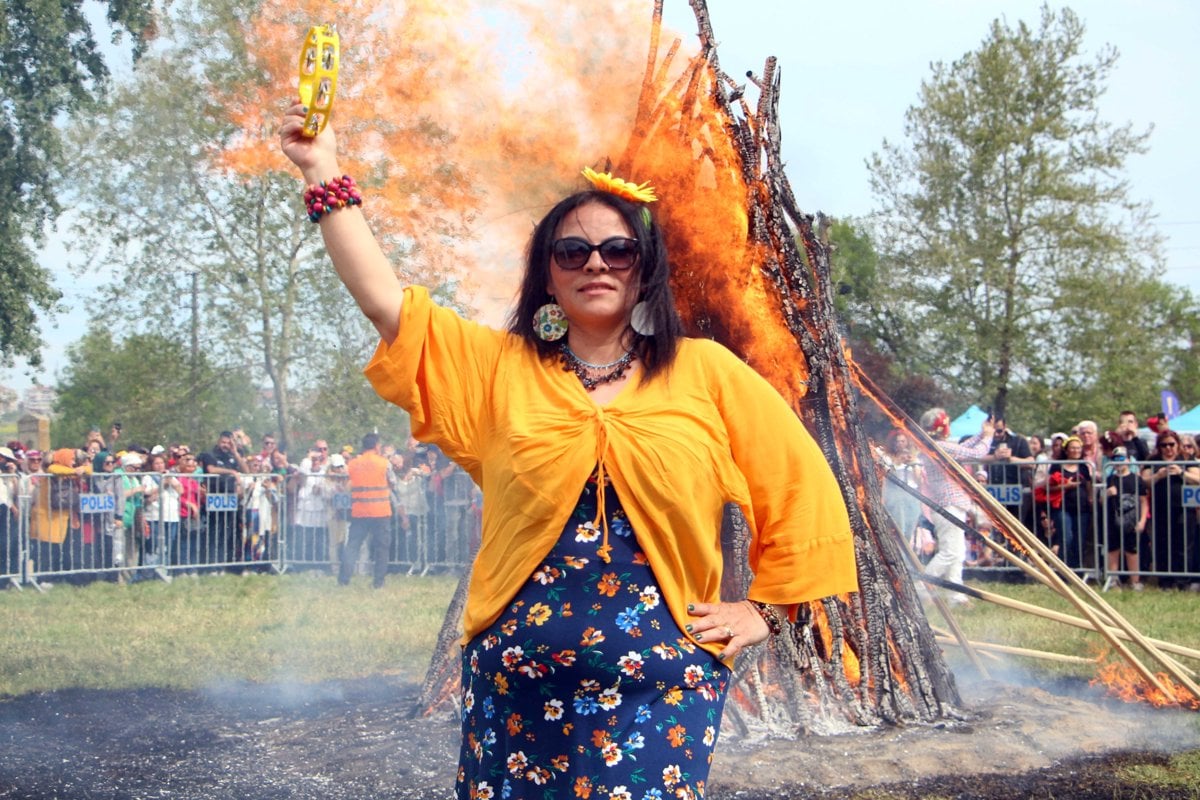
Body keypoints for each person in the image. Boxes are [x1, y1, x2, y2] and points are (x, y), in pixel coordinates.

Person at [280, 109, 858, 799]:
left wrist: (760, 612)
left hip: (660, 690)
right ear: (546, 276)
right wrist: (322, 171)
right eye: (572, 252)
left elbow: (801, 490)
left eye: (617, 251)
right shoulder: (500, 369)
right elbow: (385, 304)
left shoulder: (706, 372)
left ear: (645, 273)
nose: (595, 263)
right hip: (517, 689)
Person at [917, 408, 994, 606]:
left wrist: (981, 433)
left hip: (950, 505)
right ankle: (920, 587)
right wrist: (988, 437)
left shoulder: (936, 446)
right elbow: (975, 453)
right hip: (948, 505)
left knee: (957, 552)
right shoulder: (939, 447)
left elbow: (963, 447)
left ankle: (956, 595)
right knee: (950, 552)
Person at [1141, 430, 1199, 589]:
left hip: (1184, 509)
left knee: (1183, 544)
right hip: (1160, 509)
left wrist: (1182, 473)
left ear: (1177, 445)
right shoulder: (1153, 460)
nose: (1168, 448)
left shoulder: (1186, 459)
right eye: (1164, 445)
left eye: (1171, 444)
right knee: (1162, 544)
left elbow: (1198, 478)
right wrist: (1158, 475)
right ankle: (1164, 580)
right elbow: (1143, 481)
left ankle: (1182, 581)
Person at [340, 432, 393, 588]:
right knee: (381, 548)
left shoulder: (353, 463)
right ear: (377, 446)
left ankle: (343, 579)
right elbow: (393, 482)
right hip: (381, 511)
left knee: (353, 546)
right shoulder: (384, 463)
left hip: (360, 511)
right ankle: (378, 582)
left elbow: (348, 485)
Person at [198, 431, 247, 568]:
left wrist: (236, 453)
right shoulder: (210, 455)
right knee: (214, 533)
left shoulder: (233, 456)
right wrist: (232, 472)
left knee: (227, 533)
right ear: (218, 442)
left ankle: (224, 565)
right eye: (223, 442)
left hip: (231, 498)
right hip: (215, 497)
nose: (225, 445)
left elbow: (246, 470)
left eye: (228, 443)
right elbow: (211, 469)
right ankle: (212, 565)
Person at [1101, 447, 1147, 591]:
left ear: (1128, 460)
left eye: (1121, 459)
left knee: (1132, 551)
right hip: (1113, 519)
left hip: (1131, 521)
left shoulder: (1136, 479)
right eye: (1116, 459)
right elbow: (1100, 501)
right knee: (1113, 550)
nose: (1119, 462)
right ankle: (1113, 580)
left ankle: (1135, 582)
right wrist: (1107, 493)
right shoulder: (1109, 479)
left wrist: (1142, 521)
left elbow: (1144, 501)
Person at [1046, 436, 1092, 570]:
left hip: (1081, 509)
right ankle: (1064, 568)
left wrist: (1090, 499)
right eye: (1073, 448)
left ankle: (1076, 569)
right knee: (1066, 537)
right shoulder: (1056, 466)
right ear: (1066, 450)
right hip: (1062, 507)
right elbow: (1049, 487)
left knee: (1079, 540)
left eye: (1078, 448)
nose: (1076, 450)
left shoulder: (1083, 467)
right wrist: (1067, 486)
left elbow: (1088, 485)